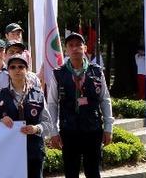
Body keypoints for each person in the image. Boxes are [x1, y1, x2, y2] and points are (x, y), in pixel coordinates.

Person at [48, 33, 113, 178]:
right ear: (66, 50)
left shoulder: (96, 71)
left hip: (93, 128)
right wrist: (54, 131)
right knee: (71, 173)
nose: (75, 48)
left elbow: (105, 99)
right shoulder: (58, 74)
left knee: (93, 172)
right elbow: (52, 103)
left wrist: (108, 127)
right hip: (69, 130)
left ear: (84, 47)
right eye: (71, 45)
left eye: (78, 44)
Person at [0, 51, 51, 178]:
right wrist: (0, 121)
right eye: (13, 67)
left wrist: (36, 128)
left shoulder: (38, 94)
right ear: (8, 70)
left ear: (27, 70)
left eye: (21, 66)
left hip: (34, 150)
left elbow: (48, 123)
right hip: (8, 151)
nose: (17, 70)